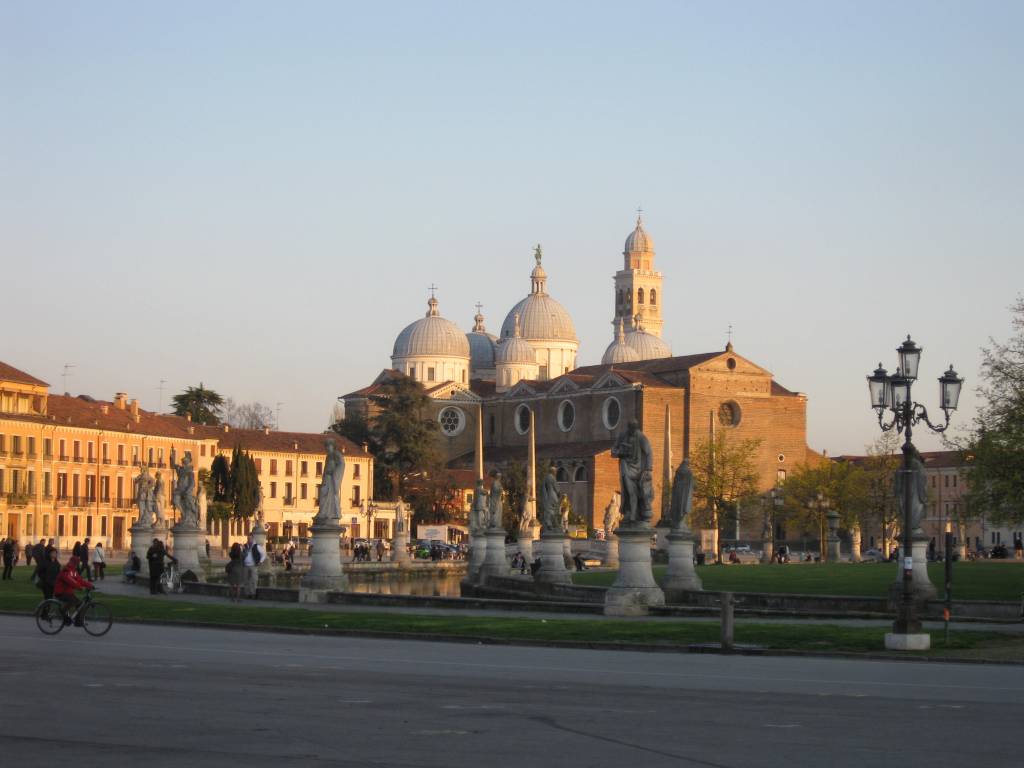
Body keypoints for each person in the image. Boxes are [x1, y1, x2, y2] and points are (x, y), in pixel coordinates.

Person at [54, 555, 93, 625]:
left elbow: (80, 580)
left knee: (80, 604)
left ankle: (78, 621)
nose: (77, 565)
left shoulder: (73, 571)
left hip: (68, 592)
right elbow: (71, 581)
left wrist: (90, 585)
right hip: (61, 592)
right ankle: (62, 612)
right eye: (76, 563)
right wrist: (80, 587)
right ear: (72, 562)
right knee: (74, 601)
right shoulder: (66, 570)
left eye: (77, 563)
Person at [242, 535, 263, 599]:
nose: (249, 540)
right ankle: (247, 594)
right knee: (246, 580)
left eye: (250, 538)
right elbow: (242, 554)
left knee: (253, 580)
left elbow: (263, 554)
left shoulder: (256, 546)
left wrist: (260, 561)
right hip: (245, 566)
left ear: (253, 539)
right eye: (248, 538)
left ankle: (253, 593)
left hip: (253, 566)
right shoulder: (245, 546)